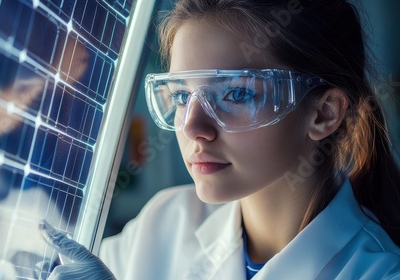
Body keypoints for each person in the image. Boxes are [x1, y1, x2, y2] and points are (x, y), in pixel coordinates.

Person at [42, 0, 400, 279]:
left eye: (237, 95)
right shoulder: (165, 222)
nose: (193, 127)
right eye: (182, 96)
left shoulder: (381, 273)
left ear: (324, 114)